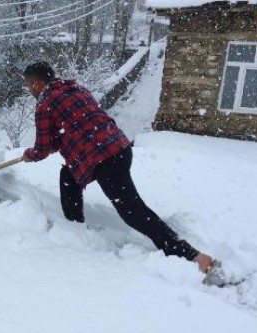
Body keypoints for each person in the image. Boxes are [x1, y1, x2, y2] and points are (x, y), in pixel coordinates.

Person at [21, 61, 214, 273]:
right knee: (68, 176)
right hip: (119, 148)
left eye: (29, 85)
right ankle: (75, 228)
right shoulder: (76, 88)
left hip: (103, 159)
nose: (29, 90)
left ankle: (191, 256)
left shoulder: (45, 104)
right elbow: (72, 127)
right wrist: (51, 146)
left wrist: (30, 155)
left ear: (38, 83)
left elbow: (41, 149)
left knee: (133, 211)